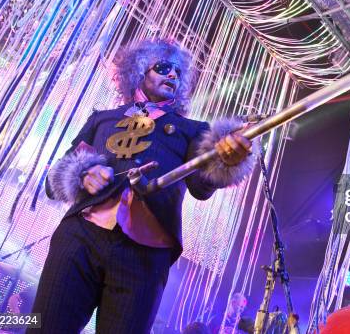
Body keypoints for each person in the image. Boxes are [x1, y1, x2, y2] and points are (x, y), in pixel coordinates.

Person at [29, 39, 256, 333]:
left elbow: (201, 187)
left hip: (147, 253)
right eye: (163, 67)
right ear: (138, 70)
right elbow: (54, 181)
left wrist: (227, 160)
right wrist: (81, 173)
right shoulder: (103, 119)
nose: (172, 75)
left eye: (178, 72)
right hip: (80, 238)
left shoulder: (192, 130)